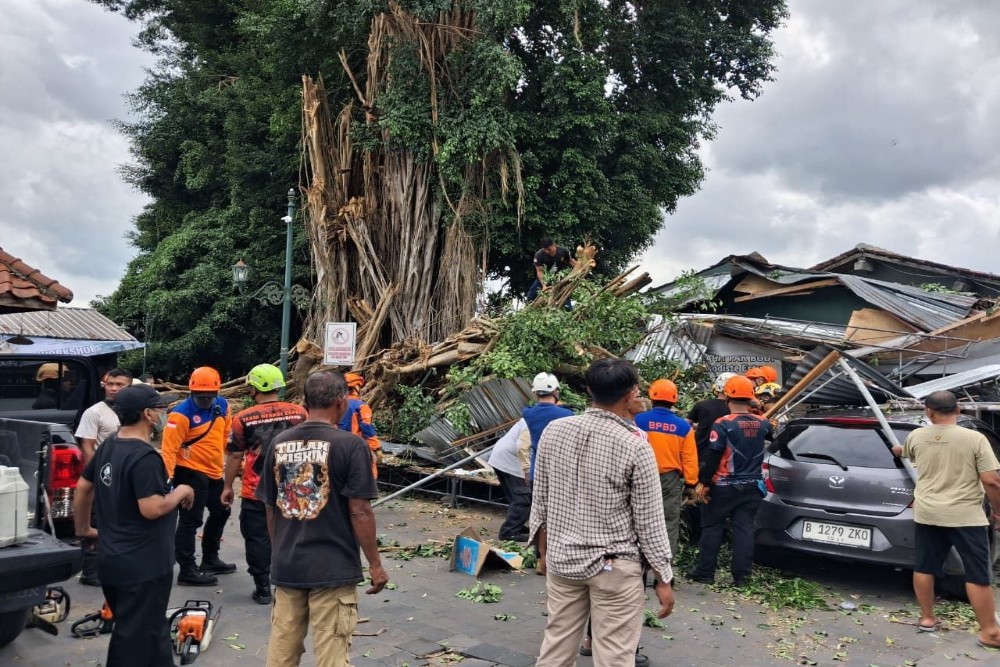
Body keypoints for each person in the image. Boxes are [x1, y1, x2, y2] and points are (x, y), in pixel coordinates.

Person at [531, 359, 674, 667]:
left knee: (555, 647)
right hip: (614, 568)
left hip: (563, 559)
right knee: (615, 656)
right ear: (632, 394)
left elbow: (540, 499)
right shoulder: (635, 445)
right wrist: (663, 579)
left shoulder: (555, 431)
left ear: (589, 390)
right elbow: (649, 522)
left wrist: (542, 553)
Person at [257, 371, 388, 667]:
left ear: (305, 402)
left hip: (288, 566)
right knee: (331, 656)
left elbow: (270, 506)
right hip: (332, 567)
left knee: (281, 654)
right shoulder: (352, 446)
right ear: (342, 403)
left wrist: (279, 551)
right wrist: (376, 565)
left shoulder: (278, 443)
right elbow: (360, 511)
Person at [73, 385, 195, 667]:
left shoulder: (108, 447)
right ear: (147, 414)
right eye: (160, 409)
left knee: (148, 632)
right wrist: (182, 491)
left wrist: (84, 530)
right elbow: (152, 508)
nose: (162, 414)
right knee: (134, 637)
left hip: (113, 559)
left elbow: (83, 488)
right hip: (143, 564)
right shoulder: (145, 457)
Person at [890, 391, 1000, 647]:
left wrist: (897, 450)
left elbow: (905, 451)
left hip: (928, 513)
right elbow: (991, 481)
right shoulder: (975, 438)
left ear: (928, 412)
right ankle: (990, 632)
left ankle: (927, 618)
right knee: (976, 573)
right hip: (965, 516)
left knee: (925, 566)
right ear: (959, 409)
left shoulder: (917, 436)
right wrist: (998, 511)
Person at [221, 363, 308, 604]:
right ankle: (293, 583)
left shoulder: (242, 419)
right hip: (294, 487)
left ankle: (262, 587)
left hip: (256, 490)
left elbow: (235, 456)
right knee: (293, 533)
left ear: (255, 387)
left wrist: (227, 486)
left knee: (257, 537)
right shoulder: (300, 413)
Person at [686, 375, 772, 586]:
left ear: (728, 397)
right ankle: (742, 577)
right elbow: (772, 441)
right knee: (744, 529)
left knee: (712, 526)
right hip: (753, 485)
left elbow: (714, 455)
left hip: (724, 485)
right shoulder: (764, 422)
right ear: (750, 398)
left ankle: (705, 572)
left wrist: (704, 483)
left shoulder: (722, 424)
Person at [161, 366, 235, 586]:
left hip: (213, 472)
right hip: (190, 472)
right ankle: (187, 569)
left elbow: (225, 435)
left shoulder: (222, 406)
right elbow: (169, 450)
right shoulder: (180, 414)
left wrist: (225, 463)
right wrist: (169, 481)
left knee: (221, 511)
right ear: (191, 391)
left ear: (217, 392)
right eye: (200, 396)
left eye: (209, 395)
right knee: (190, 521)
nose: (205, 399)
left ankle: (210, 559)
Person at [74, 367, 134, 587]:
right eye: (111, 384)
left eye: (120, 385)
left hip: (124, 479)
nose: (114, 389)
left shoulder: (131, 412)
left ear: (129, 387)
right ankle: (90, 572)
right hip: (102, 479)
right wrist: (98, 477)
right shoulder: (95, 412)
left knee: (121, 523)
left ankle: (115, 568)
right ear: (104, 385)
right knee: (98, 522)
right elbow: (87, 447)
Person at [634, 379, 699, 557]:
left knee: (637, 521)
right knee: (668, 524)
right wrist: (691, 485)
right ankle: (663, 573)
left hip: (639, 476)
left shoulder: (638, 420)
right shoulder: (684, 427)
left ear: (651, 397)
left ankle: (637, 567)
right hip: (669, 481)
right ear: (674, 400)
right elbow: (689, 458)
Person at [522, 372, 574, 483]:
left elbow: (535, 408)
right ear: (555, 392)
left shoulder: (528, 413)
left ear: (536, 392)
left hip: (536, 473)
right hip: (558, 475)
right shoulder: (567, 414)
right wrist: (562, 406)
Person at [487, 419, 532, 541]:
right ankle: (509, 532)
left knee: (515, 497)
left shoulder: (532, 415)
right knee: (523, 498)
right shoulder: (539, 419)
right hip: (511, 461)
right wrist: (527, 470)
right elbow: (521, 447)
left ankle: (517, 526)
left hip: (501, 458)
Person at [339, 373, 382, 477]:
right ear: (356, 387)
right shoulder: (361, 406)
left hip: (335, 448)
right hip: (355, 448)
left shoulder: (332, 404)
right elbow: (367, 428)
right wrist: (376, 448)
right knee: (367, 475)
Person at [527, 237, 577, 302]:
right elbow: (539, 271)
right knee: (531, 295)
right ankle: (528, 307)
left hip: (558, 278)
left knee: (564, 296)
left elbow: (570, 261)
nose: (547, 251)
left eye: (549, 249)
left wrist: (582, 265)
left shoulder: (563, 251)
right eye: (545, 250)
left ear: (554, 245)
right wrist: (544, 286)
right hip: (544, 278)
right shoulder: (539, 255)